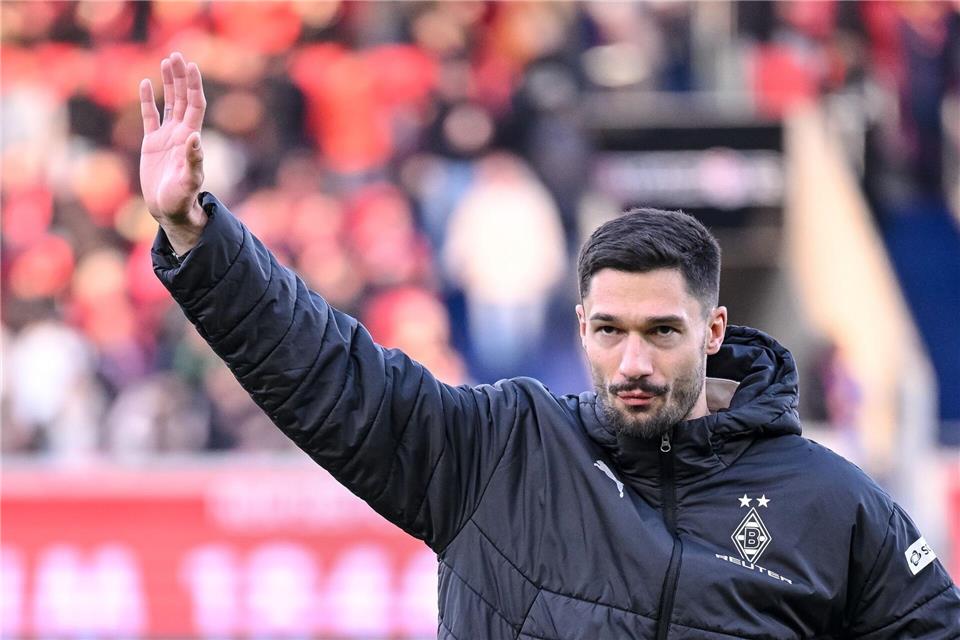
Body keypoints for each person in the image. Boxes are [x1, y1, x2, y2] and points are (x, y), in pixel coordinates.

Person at [140, 53, 959, 638]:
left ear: (713, 332)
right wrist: (195, 231)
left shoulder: (832, 502)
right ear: (580, 329)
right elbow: (325, 373)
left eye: (662, 332)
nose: (632, 361)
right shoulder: (498, 449)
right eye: (610, 331)